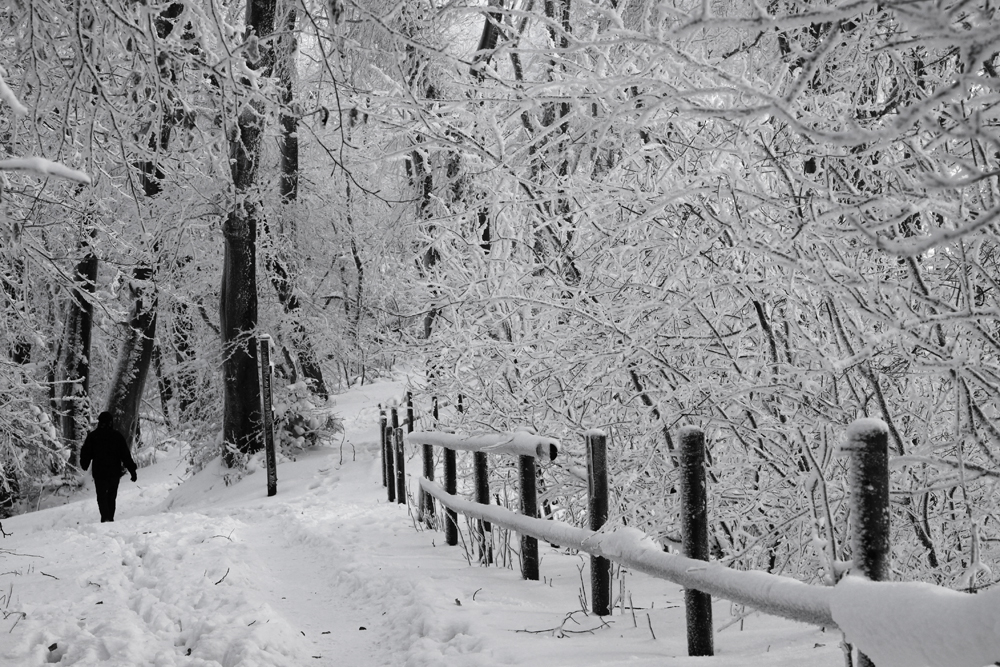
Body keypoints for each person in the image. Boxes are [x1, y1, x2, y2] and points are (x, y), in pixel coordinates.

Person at [80, 412, 137, 523]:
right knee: (111, 496)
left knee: (101, 496)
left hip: (99, 472)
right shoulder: (116, 436)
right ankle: (109, 517)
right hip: (114, 472)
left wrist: (84, 463)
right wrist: (132, 470)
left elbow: (86, 452)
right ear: (111, 422)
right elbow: (125, 455)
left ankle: (105, 517)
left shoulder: (93, 436)